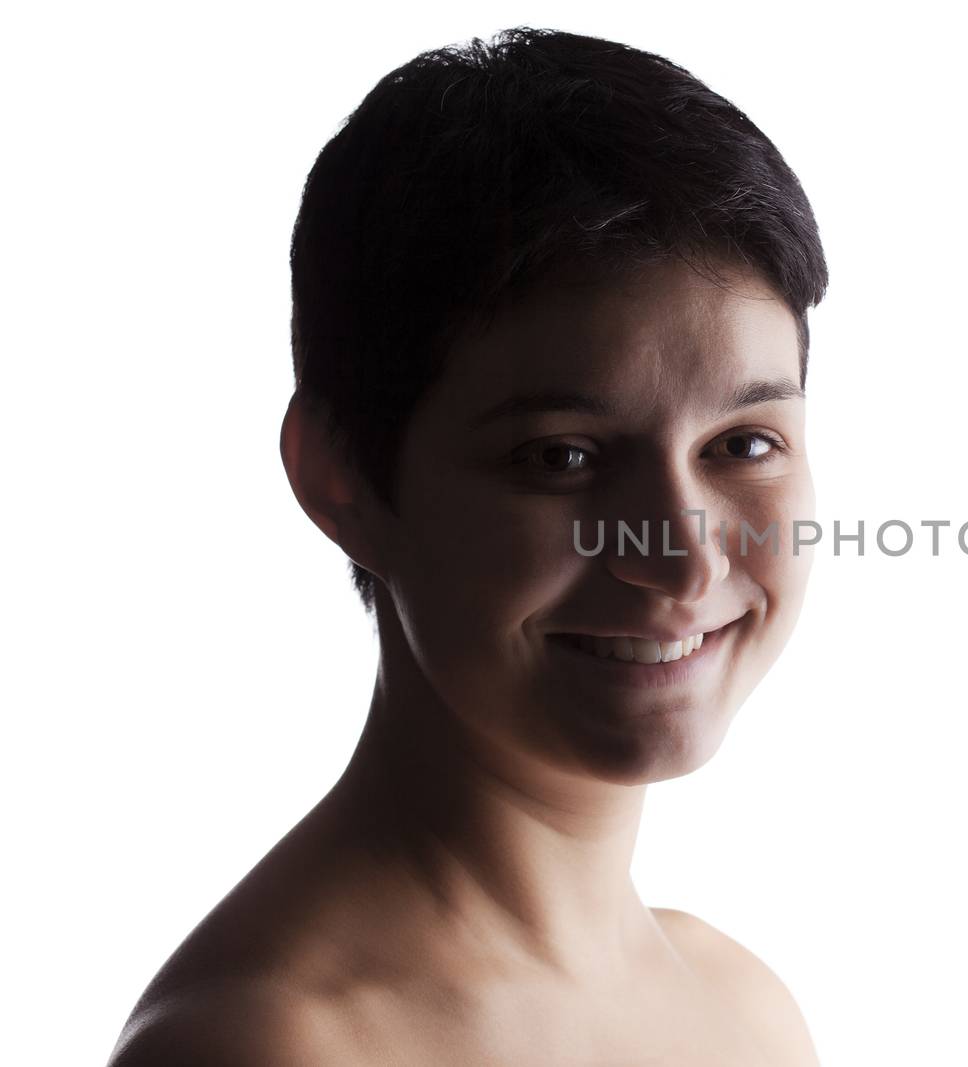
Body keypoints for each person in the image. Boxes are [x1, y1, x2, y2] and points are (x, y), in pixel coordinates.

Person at [108, 26, 828, 1066]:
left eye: (745, 443)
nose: (683, 558)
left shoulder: (743, 1006)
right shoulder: (268, 1042)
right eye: (562, 457)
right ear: (340, 478)